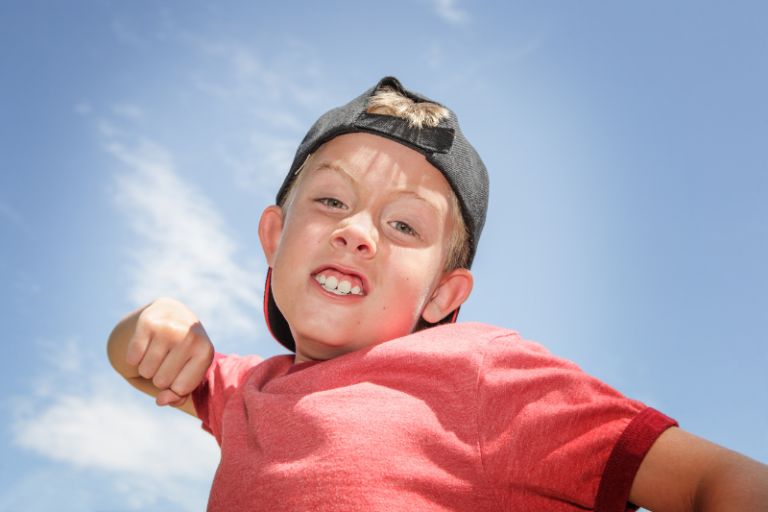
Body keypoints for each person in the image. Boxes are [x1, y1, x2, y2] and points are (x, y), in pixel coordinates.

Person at [107, 77, 768, 511]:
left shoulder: (479, 373)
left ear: (442, 294)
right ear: (274, 235)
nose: (357, 233)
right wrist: (157, 321)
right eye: (332, 200)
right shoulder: (252, 391)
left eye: (403, 225)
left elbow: (723, 481)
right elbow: (135, 360)